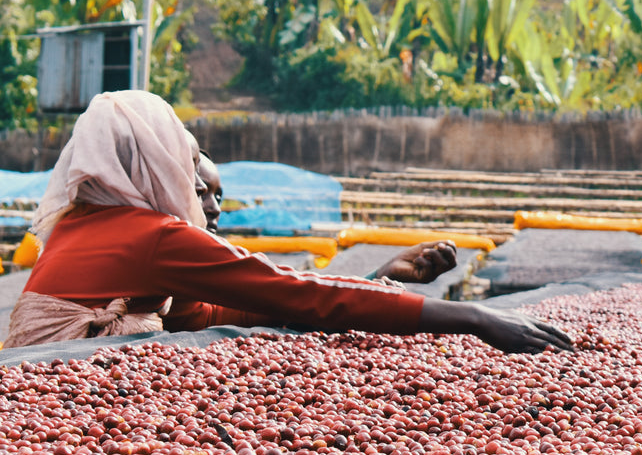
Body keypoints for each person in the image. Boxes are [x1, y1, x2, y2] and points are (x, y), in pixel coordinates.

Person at [5, 90, 571, 355]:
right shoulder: (149, 237)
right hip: (55, 383)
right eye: (180, 151)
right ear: (151, 160)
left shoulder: (82, 225)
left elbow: (217, 311)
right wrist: (468, 316)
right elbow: (288, 291)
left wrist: (375, 281)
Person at [194, 150, 459, 284]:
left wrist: (383, 274)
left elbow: (284, 302)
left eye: (219, 197)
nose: (215, 208)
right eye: (200, 193)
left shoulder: (217, 274)